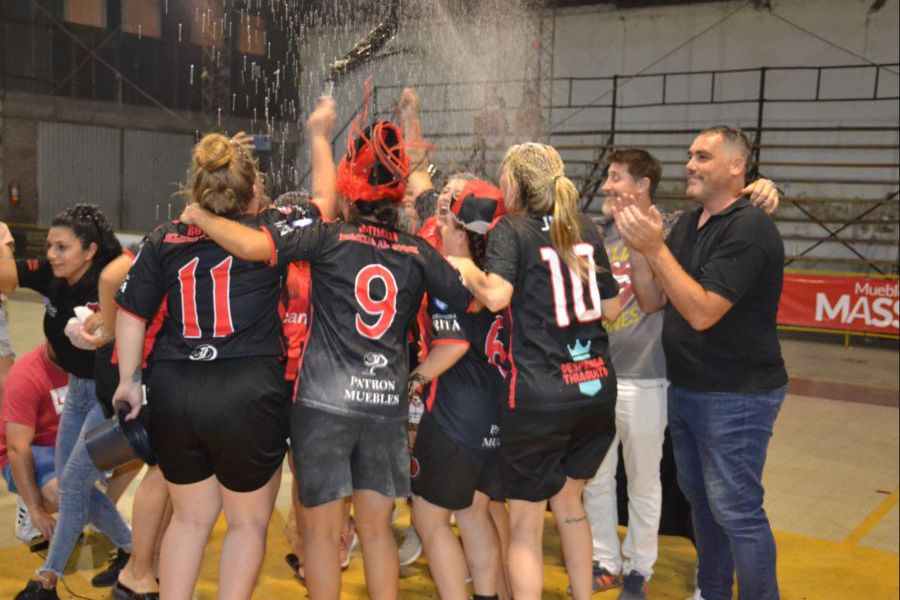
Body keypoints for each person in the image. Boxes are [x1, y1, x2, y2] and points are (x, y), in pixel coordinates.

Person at [179, 99, 473, 600]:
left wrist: (197, 216)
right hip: (385, 405)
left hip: (322, 405)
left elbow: (253, 247)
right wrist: (416, 378)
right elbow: (463, 315)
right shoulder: (419, 252)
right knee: (379, 531)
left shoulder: (329, 238)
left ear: (350, 187)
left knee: (318, 533)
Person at [113, 99, 337, 600]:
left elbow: (131, 313)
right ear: (256, 190)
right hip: (246, 391)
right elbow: (326, 202)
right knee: (246, 524)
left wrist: (130, 381)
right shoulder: (273, 228)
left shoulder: (164, 237)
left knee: (190, 520)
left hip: (175, 387)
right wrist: (319, 134)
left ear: (197, 190)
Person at [583, 149, 781, 600]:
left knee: (669, 487)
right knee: (599, 479)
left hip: (657, 377)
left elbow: (732, 213)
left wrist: (767, 189)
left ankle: (640, 567)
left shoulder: (673, 225)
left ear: (643, 184)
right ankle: (607, 560)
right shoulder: (594, 231)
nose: (607, 186)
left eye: (616, 178)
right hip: (603, 374)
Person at [449, 142, 622, 600]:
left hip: (541, 392)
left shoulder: (514, 229)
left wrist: (464, 265)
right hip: (595, 388)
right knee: (570, 506)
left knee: (525, 523)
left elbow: (497, 296)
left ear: (515, 184)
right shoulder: (583, 227)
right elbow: (612, 306)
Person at [0, 204, 131, 600]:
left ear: (90, 251)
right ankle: (133, 550)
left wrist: (107, 323)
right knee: (77, 489)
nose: (51, 254)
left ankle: (47, 579)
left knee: (73, 485)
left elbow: (136, 262)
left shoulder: (108, 282)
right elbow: (6, 276)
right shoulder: (52, 276)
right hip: (76, 391)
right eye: (50, 246)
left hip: (104, 395)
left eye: (62, 247)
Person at [409, 179, 509, 600]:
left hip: (456, 414)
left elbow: (453, 344)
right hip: (497, 408)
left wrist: (413, 381)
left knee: (429, 521)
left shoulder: (452, 271)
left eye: (448, 216)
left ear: (459, 225)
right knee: (474, 513)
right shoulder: (497, 273)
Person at [0, 343, 68, 545]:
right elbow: (17, 449)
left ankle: (97, 512)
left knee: (136, 448)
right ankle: (29, 503)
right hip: (36, 450)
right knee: (64, 494)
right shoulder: (26, 375)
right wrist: (36, 510)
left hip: (69, 444)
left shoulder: (91, 359)